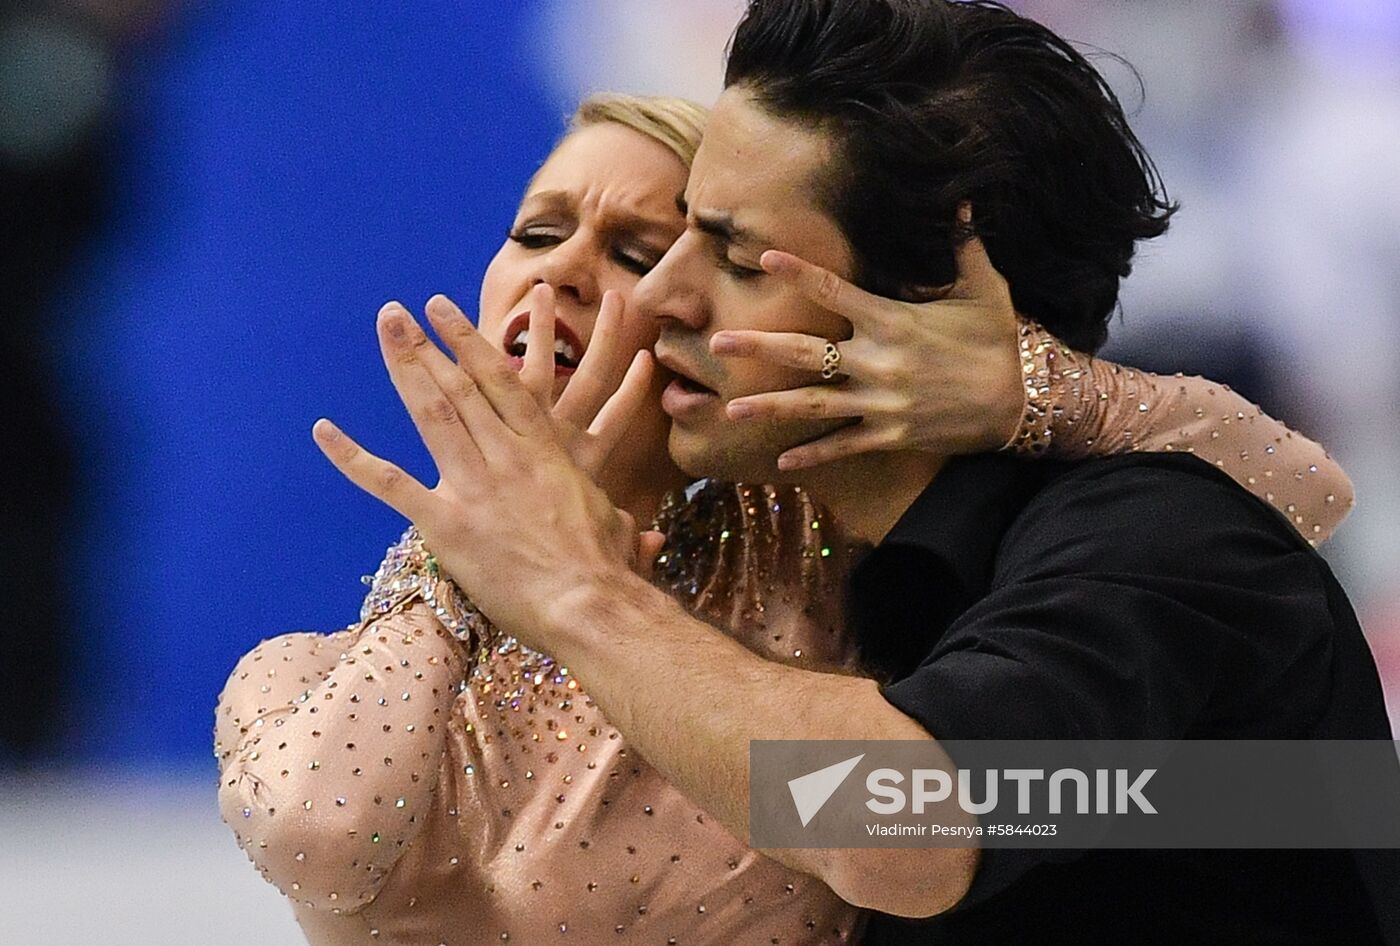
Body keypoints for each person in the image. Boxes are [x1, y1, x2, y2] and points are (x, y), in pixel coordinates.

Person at [223, 70, 1360, 946]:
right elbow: (327, 832)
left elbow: (1291, 497)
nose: (565, 275)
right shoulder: (307, 675)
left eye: (642, 249)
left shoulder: (822, 548)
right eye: (534, 232)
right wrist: (473, 562)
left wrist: (1025, 384)